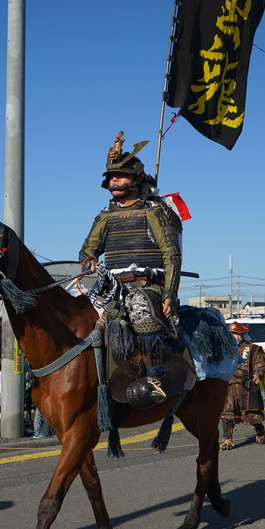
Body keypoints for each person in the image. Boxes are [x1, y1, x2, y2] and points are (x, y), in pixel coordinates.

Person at [79, 132, 183, 403]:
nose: (113, 180)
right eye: (111, 176)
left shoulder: (154, 211)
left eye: (120, 175)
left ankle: (155, 377)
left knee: (140, 313)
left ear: (136, 179)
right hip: (110, 285)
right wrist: (88, 259)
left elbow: (171, 254)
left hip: (146, 285)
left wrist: (170, 292)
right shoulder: (105, 216)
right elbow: (88, 248)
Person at [219, 322, 265, 451]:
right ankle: (227, 439)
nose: (232, 336)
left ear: (241, 335)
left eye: (235, 334)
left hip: (247, 386)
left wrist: (258, 374)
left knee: (251, 414)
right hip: (229, 385)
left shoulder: (252, 349)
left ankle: (260, 431)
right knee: (227, 412)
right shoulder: (223, 349)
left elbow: (260, 364)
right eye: (230, 334)